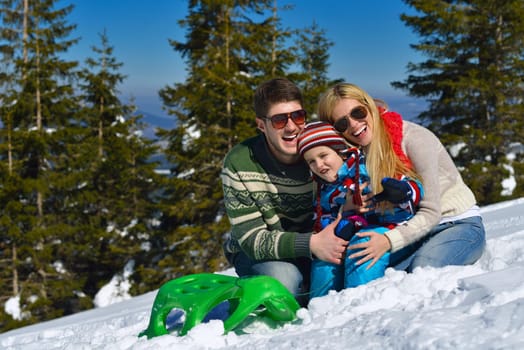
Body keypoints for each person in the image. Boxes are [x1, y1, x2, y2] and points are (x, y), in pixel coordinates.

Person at [316, 82, 486, 273]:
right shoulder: (355, 157)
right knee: (364, 266)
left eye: (358, 112)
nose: (354, 125)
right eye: (342, 123)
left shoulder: (414, 138)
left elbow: (431, 212)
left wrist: (388, 241)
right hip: (412, 230)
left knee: (423, 269)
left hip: (456, 223)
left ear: (369, 106)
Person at [220, 78, 347, 306]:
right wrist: (311, 244)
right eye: (279, 120)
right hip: (260, 253)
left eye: (298, 116)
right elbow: (251, 239)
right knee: (283, 280)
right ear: (262, 125)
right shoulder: (240, 162)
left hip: (317, 245)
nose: (291, 127)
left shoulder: (319, 154)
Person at [296, 121, 424, 298]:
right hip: (350, 233)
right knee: (325, 261)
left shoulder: (366, 167)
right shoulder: (325, 190)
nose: (319, 165)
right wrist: (342, 216)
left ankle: (359, 303)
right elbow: (323, 218)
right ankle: (320, 310)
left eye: (323, 155)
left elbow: (414, 186)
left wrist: (401, 192)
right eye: (311, 161)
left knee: (361, 246)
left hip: (391, 227)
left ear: (340, 151)